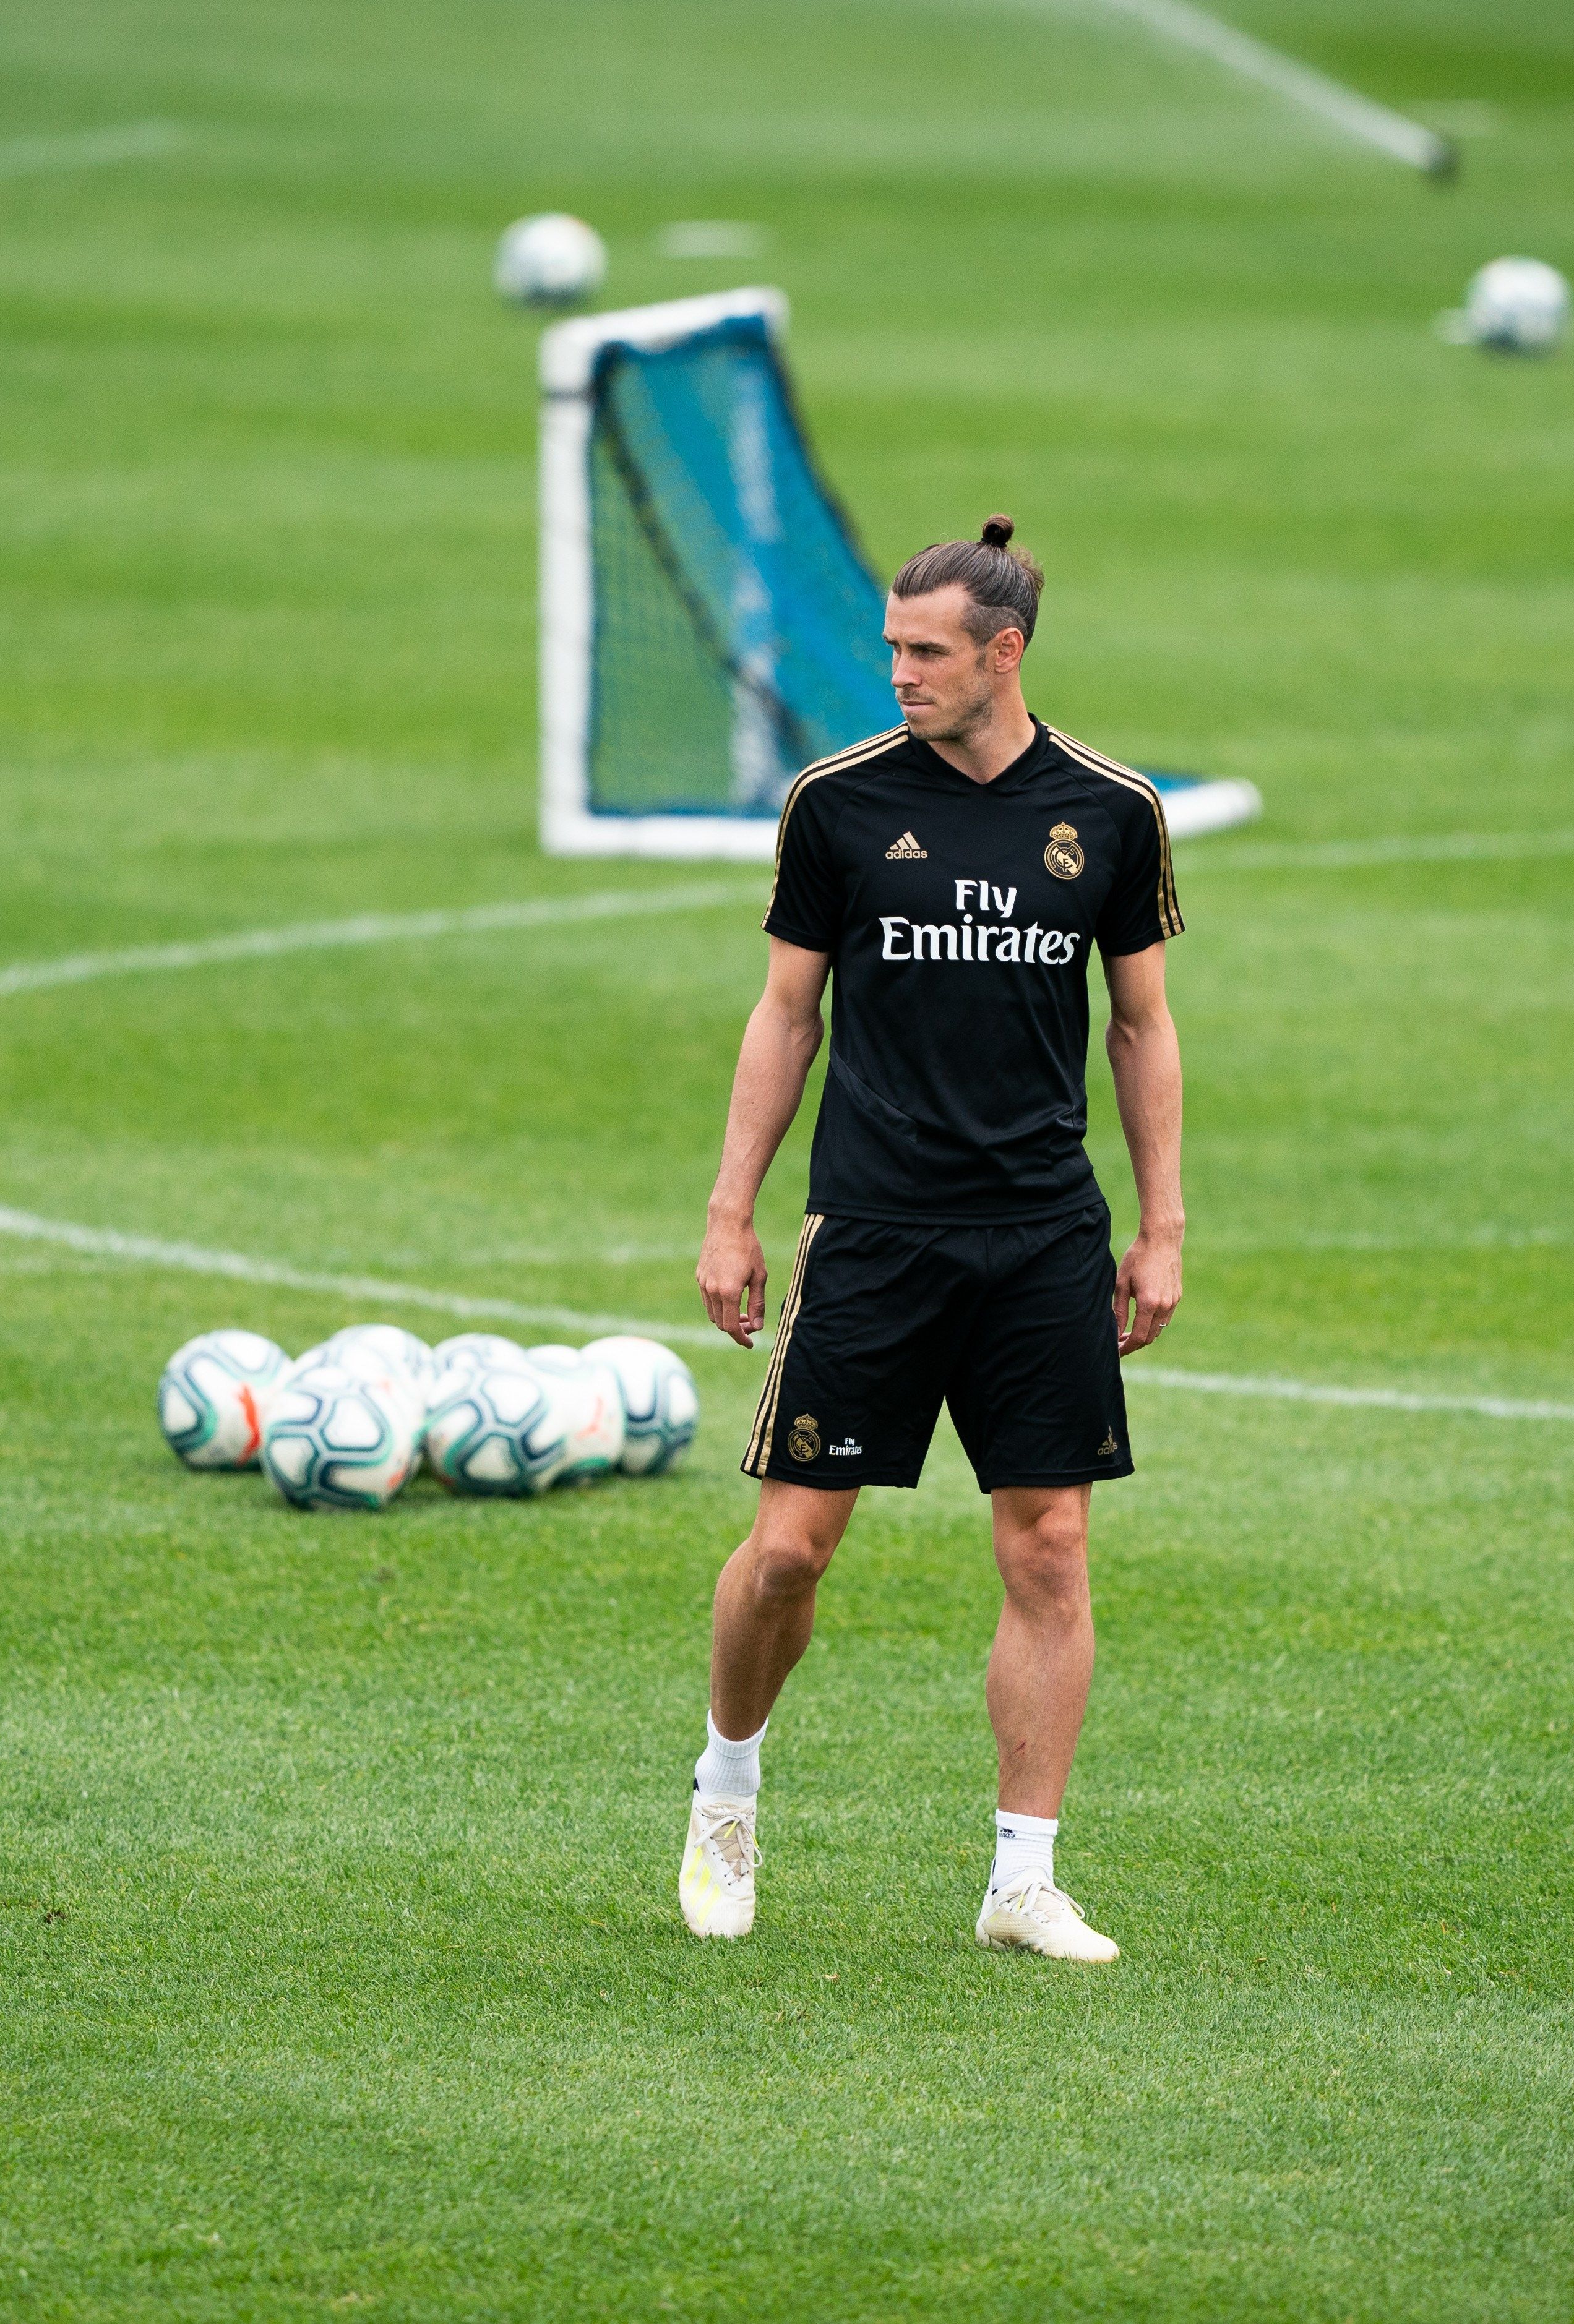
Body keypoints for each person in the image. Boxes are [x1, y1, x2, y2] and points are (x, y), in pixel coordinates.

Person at [681, 515, 1185, 1962]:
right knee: (786, 1556)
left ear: (1003, 653)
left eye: (925, 652)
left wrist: (1161, 1227)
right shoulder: (837, 803)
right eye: (893, 648)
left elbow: (1143, 1026)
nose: (895, 671)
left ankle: (1022, 1877)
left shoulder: (1112, 809)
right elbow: (788, 1014)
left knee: (1050, 1552)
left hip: (1039, 1242)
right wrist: (731, 1210)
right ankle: (727, 1791)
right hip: (873, 1239)